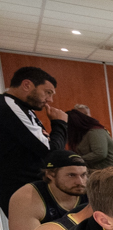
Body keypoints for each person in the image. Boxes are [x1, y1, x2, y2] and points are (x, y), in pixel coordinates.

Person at [1, 66, 66, 216]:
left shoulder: (24, 109)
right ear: (26, 85)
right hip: (22, 189)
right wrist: (60, 124)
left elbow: (47, 144)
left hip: (31, 186)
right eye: (47, 92)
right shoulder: (10, 106)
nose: (49, 100)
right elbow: (52, 152)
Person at [6, 150, 88, 230]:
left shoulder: (92, 193)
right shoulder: (28, 197)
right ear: (50, 174)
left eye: (83, 175)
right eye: (71, 175)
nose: (80, 182)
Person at [68, 105, 113, 170]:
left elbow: (100, 153)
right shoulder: (79, 135)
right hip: (104, 171)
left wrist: (76, 159)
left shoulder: (94, 131)